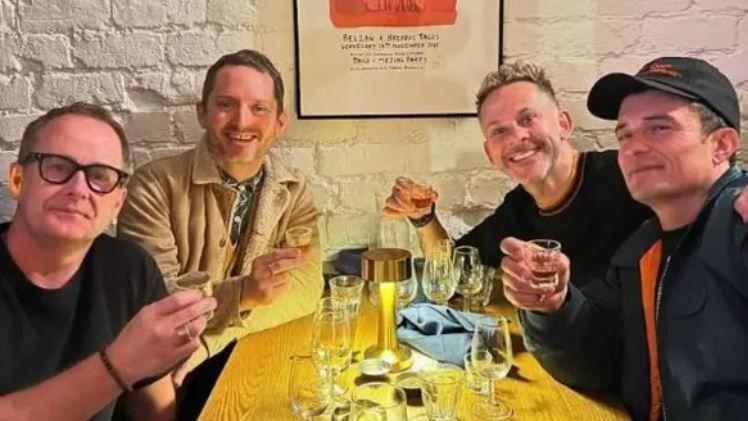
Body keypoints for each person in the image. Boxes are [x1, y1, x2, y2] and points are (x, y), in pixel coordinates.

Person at [503, 56, 748, 420]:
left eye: (660, 128)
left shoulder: (737, 223)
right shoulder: (642, 250)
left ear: (721, 144)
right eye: (625, 134)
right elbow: (595, 366)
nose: (634, 147)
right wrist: (552, 305)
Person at [116, 49, 323, 413]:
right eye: (227, 104)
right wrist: (243, 294)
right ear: (203, 112)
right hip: (165, 371)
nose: (242, 122)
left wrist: (214, 341)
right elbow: (155, 303)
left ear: (280, 122)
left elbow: (306, 289)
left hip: (239, 351)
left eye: (259, 108)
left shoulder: (294, 191)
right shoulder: (153, 185)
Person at [0, 102, 216, 421]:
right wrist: (117, 365)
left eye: (100, 176)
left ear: (117, 204)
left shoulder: (130, 269)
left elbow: (155, 408)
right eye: (58, 167)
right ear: (18, 180)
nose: (78, 189)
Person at [384, 62, 652, 285]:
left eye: (528, 119)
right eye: (499, 131)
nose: (517, 137)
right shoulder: (518, 209)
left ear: (564, 125)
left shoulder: (630, 178)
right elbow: (455, 273)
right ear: (490, 154)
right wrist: (424, 218)